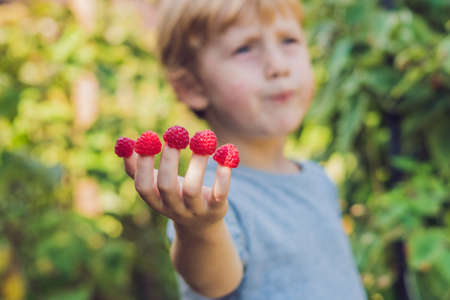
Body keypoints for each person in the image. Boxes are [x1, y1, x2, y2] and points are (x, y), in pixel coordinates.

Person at [122, 0, 367, 299]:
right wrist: (201, 231)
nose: (278, 66)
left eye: (288, 40)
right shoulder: (210, 198)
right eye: (245, 49)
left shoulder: (317, 179)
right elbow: (213, 282)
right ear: (192, 88)